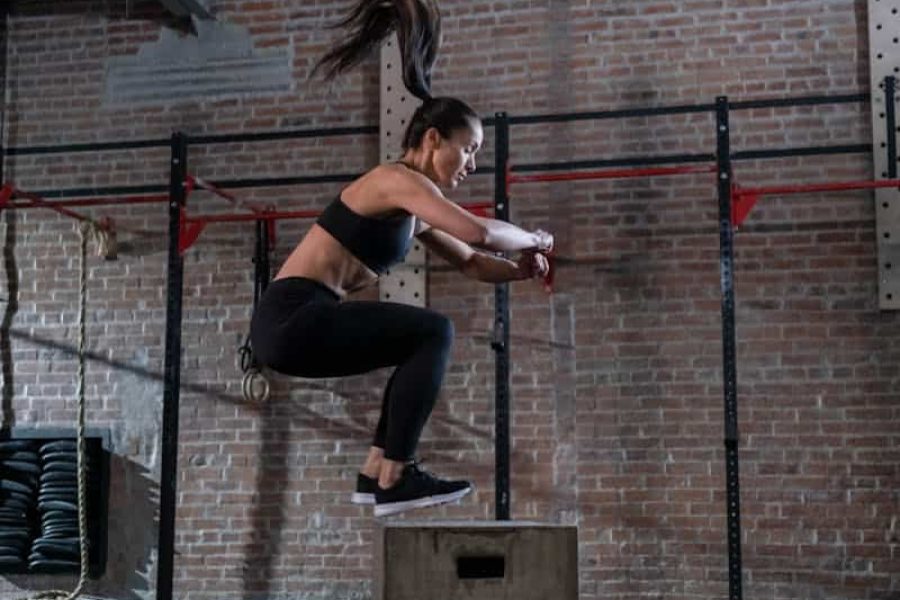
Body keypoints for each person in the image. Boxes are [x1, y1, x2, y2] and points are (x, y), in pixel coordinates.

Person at [250, 0, 554, 518]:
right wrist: (534, 238)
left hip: (298, 325)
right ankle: (397, 473)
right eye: (468, 149)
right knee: (432, 332)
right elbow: (479, 230)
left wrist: (517, 270)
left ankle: (376, 472)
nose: (472, 165)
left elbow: (473, 260)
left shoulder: (413, 205)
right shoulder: (395, 181)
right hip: (293, 316)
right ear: (432, 139)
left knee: (421, 339)